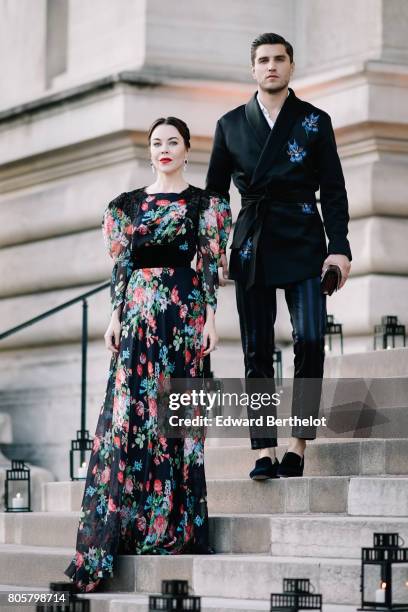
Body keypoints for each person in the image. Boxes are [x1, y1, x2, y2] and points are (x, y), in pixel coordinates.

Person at [64, 116, 231, 592]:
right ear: (150, 150)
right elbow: (122, 267)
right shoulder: (124, 207)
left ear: (186, 149)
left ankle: (172, 526)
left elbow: (208, 270)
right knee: (131, 420)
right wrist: (116, 317)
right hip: (136, 319)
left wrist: (211, 320)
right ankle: (132, 524)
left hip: (182, 321)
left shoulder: (207, 206)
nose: (164, 149)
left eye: (172, 142)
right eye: (157, 142)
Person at [206, 32, 352, 480]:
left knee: (309, 339)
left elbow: (333, 189)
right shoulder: (230, 124)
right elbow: (214, 196)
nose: (271, 66)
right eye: (263, 60)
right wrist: (215, 249)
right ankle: (264, 449)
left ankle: (298, 444)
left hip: (306, 239)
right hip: (252, 243)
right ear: (253, 69)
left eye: (279, 59)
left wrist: (339, 248)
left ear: (291, 66)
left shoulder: (315, 120)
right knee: (257, 349)